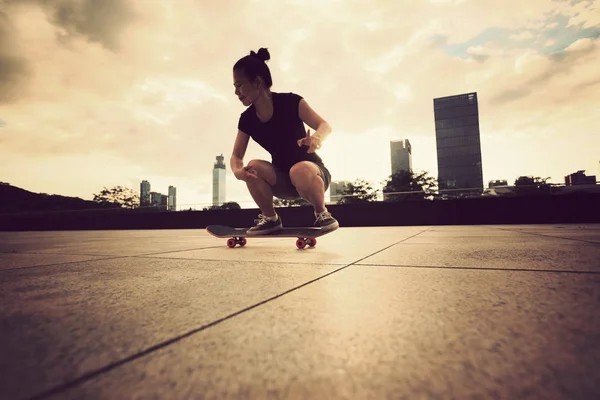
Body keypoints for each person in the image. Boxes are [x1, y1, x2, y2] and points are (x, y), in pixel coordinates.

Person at [230, 47, 339, 236]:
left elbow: (324, 125)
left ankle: (322, 213)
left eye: (239, 85)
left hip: (312, 173)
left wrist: (316, 137)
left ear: (256, 82)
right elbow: (236, 156)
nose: (236, 92)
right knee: (253, 167)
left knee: (300, 169)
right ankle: (270, 219)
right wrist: (239, 171)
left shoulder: (291, 102)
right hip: (282, 180)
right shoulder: (247, 119)